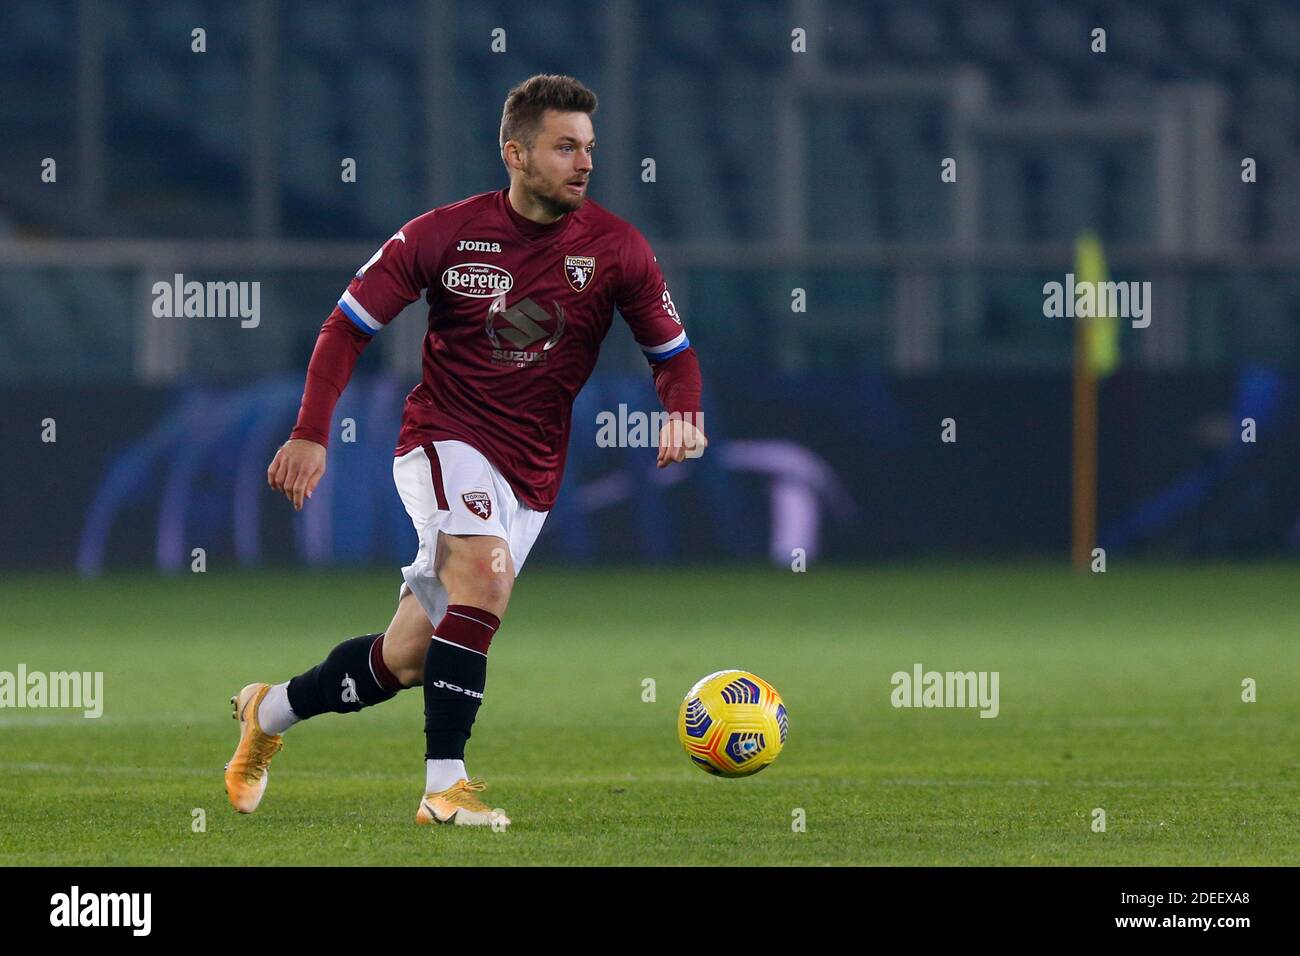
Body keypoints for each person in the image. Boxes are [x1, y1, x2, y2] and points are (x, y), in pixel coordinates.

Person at [224, 74, 706, 827]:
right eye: (564, 147)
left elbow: (672, 353)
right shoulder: (441, 235)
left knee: (407, 659)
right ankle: (444, 787)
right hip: (443, 439)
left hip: (533, 471)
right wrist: (313, 432)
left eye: (589, 148)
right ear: (514, 152)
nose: (584, 163)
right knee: (486, 573)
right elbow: (347, 326)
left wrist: (684, 411)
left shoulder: (617, 249)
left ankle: (270, 711)